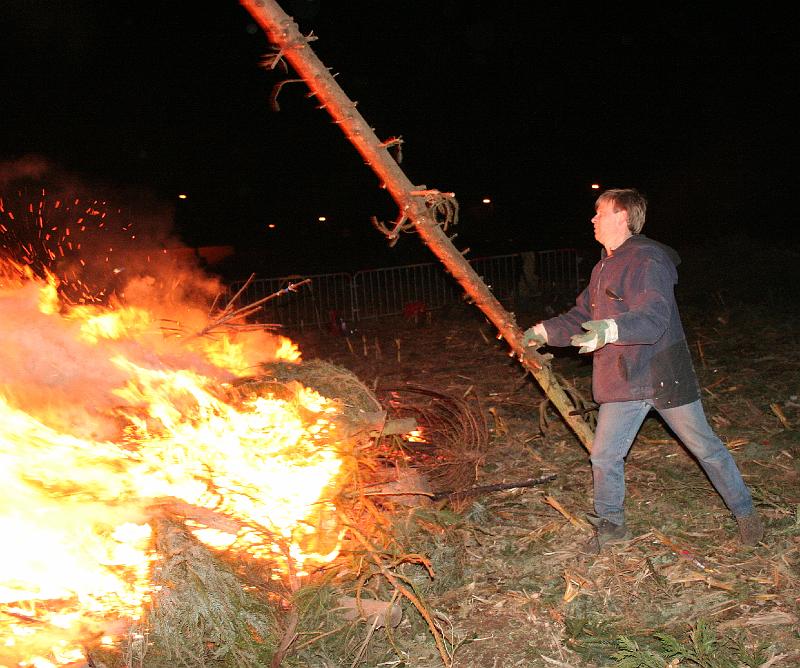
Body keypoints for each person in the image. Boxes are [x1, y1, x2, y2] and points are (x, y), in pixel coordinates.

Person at [523, 188, 763, 554]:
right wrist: (542, 332)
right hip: (623, 379)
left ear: (622, 216)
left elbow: (653, 317)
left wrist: (611, 329)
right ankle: (611, 525)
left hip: (661, 374)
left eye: (599, 212)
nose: (593, 219)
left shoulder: (649, 260)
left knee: (705, 447)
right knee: (604, 455)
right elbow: (583, 316)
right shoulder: (603, 266)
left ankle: (746, 514)